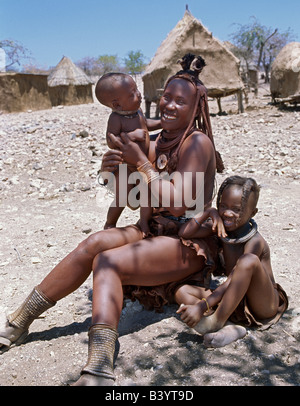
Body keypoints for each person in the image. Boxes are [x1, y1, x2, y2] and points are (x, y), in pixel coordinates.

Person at [0, 54, 223, 386]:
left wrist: (143, 165)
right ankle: (19, 321)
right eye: (167, 96)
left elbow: (178, 198)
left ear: (196, 107)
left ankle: (100, 366)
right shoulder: (155, 139)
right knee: (94, 243)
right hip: (154, 230)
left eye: (181, 101)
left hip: (188, 242)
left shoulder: (197, 142)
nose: (170, 105)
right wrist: (113, 170)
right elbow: (134, 194)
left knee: (107, 263)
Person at [176, 176, 288, 348]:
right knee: (182, 291)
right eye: (223, 206)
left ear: (252, 213)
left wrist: (202, 306)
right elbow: (185, 233)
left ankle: (216, 321)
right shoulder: (222, 229)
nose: (228, 213)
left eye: (236, 209)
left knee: (248, 260)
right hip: (234, 298)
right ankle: (232, 328)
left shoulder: (254, 241)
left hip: (263, 304)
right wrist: (209, 212)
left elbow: (231, 279)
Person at [95, 72, 161, 233]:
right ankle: (110, 223)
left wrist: (163, 123)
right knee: (122, 198)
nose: (139, 95)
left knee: (146, 195)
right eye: (132, 94)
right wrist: (132, 135)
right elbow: (111, 140)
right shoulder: (116, 119)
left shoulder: (137, 112)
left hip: (140, 163)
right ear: (117, 105)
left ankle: (144, 223)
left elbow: (147, 124)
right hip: (126, 165)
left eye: (137, 90)